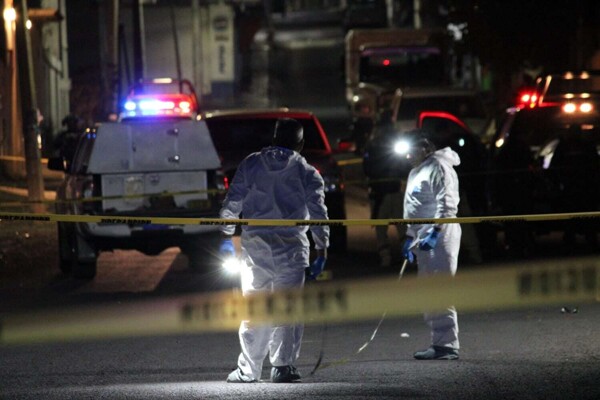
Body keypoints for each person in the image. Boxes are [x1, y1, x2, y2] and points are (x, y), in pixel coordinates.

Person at [219, 117, 330, 383]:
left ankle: (249, 370)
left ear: (273, 139)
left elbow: (233, 200)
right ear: (301, 143)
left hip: (256, 249)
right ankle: (282, 366)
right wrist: (322, 248)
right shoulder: (307, 172)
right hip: (291, 250)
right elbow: (318, 213)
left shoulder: (251, 163)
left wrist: (225, 235)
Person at [402, 135, 462, 360]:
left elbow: (447, 203)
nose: (408, 157)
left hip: (441, 234)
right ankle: (439, 342)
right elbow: (413, 207)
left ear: (425, 148)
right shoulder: (416, 171)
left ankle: (448, 345)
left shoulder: (438, 167)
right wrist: (410, 235)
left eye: (411, 152)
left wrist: (436, 232)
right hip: (422, 235)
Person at [363, 110, 411, 267]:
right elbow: (368, 168)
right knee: (382, 228)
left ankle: (406, 256)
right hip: (380, 193)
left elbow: (404, 166)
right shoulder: (373, 145)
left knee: (400, 226)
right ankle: (386, 257)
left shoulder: (393, 144)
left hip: (392, 190)